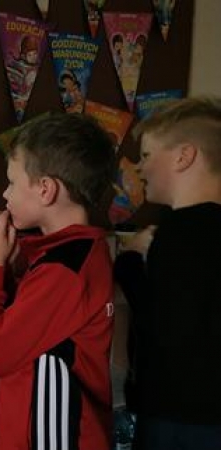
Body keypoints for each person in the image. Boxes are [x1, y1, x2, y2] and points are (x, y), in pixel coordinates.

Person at [0, 112, 117, 449]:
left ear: (46, 189)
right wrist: (12, 265)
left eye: (12, 182)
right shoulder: (74, 253)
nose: (5, 194)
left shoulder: (63, 270)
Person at [113, 97, 221, 450]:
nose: (139, 168)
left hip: (179, 414)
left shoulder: (178, 231)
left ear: (183, 156)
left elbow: (160, 321)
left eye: (146, 155)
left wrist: (129, 262)